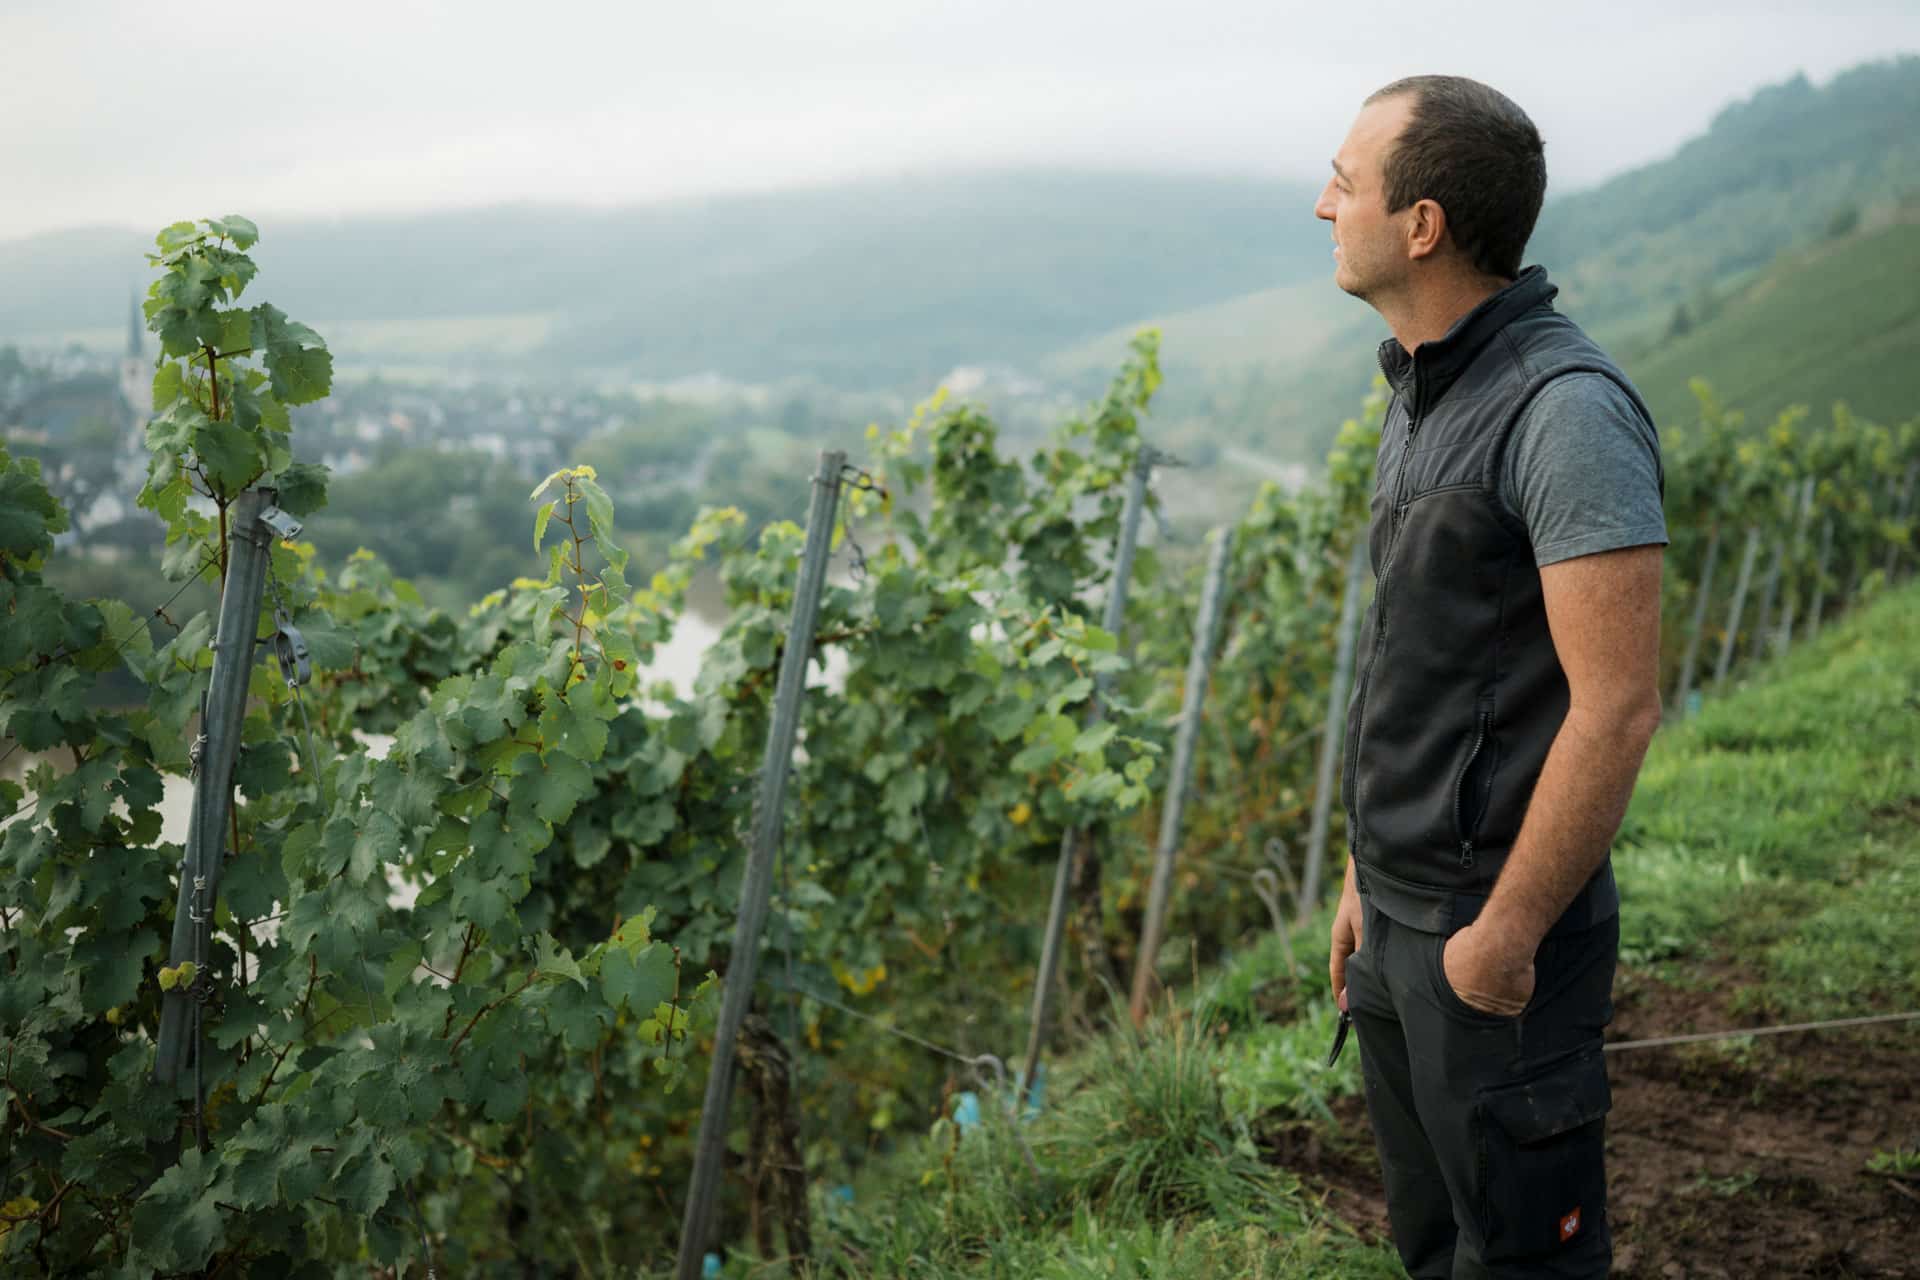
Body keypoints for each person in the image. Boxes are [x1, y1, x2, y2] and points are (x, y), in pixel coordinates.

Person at [1315, 76, 1668, 1278]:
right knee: (1433, 1245)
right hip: (1400, 927)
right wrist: (1369, 873)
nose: (1323, 205)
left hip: (1492, 933)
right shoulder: (1426, 389)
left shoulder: (1564, 411)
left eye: (1346, 181)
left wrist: (1504, 935)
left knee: (1525, 1261)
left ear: (1422, 224)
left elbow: (1617, 706)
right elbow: (1422, 662)